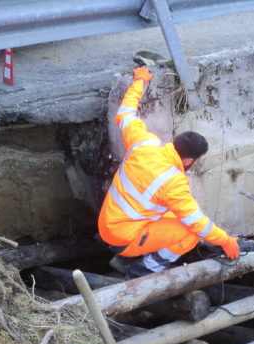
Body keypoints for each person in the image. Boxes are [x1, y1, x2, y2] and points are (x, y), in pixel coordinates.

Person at [98, 66, 240, 279]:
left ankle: (123, 260)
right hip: (123, 238)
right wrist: (225, 241)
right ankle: (142, 271)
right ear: (189, 160)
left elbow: (125, 114)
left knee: (175, 214)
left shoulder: (145, 143)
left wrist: (139, 81)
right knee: (190, 234)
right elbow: (198, 224)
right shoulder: (173, 182)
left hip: (109, 225)